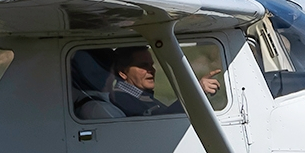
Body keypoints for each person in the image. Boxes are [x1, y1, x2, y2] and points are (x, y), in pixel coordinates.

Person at [78, 46, 221, 119]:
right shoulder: (121, 99)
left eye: (151, 65)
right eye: (143, 66)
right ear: (122, 72)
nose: (151, 70)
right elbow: (161, 122)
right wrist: (196, 92)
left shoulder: (143, 97)